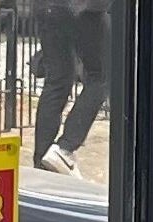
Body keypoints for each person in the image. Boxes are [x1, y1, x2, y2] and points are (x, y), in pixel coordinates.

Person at [32, 0, 109, 178]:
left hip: (47, 8)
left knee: (57, 81)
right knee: (101, 77)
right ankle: (64, 148)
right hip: (82, 8)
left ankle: (44, 159)